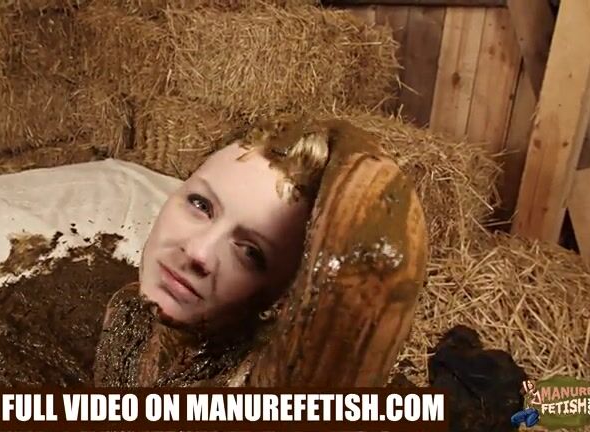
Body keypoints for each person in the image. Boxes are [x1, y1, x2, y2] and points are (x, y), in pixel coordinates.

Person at [92, 115, 426, 388]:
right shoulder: (126, 314)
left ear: (283, 299)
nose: (198, 252)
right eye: (201, 204)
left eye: (251, 253)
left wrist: (343, 137)